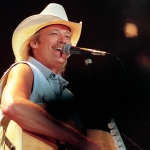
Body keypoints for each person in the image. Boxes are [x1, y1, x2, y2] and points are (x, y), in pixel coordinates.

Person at [0, 3, 100, 150]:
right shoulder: (25, 69)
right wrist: (77, 139)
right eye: (54, 34)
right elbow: (13, 105)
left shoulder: (68, 96)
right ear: (34, 42)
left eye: (67, 36)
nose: (63, 40)